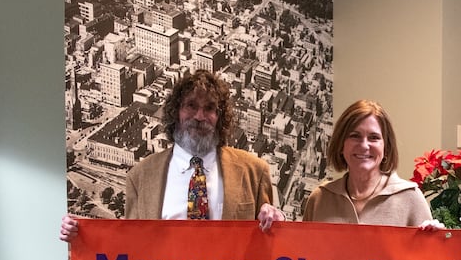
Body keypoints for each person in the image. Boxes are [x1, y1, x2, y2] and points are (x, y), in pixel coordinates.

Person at [60, 69, 283, 241]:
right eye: (191, 106)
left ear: (220, 117)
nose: (199, 116)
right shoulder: (140, 177)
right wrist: (83, 237)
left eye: (210, 108)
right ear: (176, 112)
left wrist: (279, 226)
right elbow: (130, 247)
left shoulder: (255, 172)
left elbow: (268, 247)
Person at [303, 99, 441, 228]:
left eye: (374, 137)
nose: (364, 145)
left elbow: (431, 254)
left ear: (386, 148)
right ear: (341, 144)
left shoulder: (411, 198)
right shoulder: (319, 199)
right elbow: (300, 251)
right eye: (355, 136)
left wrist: (438, 242)